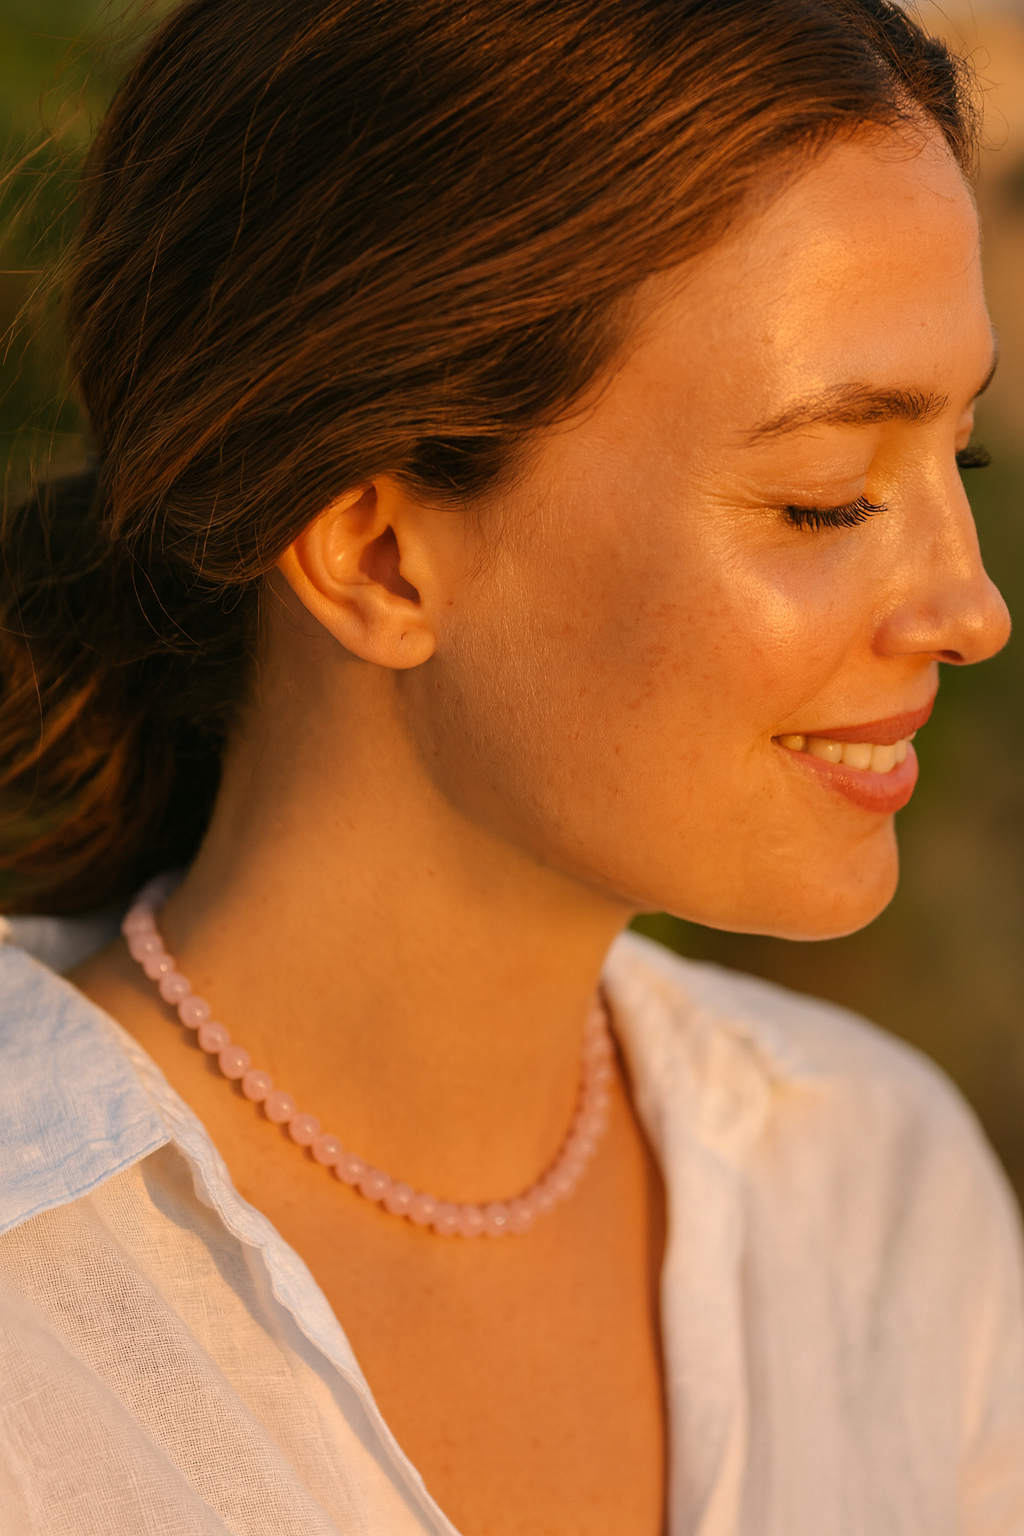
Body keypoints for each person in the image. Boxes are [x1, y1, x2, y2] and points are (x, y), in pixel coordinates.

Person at [1, 0, 1022, 1530]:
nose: (975, 609)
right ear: (379, 554)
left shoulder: (882, 1197)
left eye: (965, 462)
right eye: (825, 497)